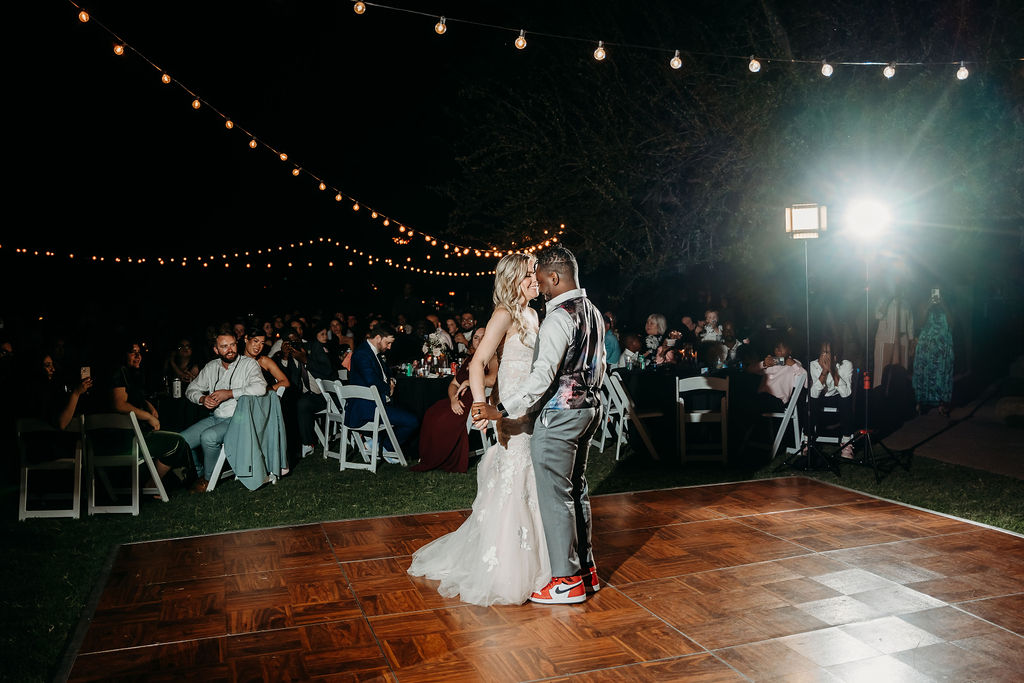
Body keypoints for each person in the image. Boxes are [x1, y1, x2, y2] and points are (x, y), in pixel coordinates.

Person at [408, 253, 549, 605]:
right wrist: (481, 406)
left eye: (537, 273)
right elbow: (478, 362)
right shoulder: (504, 314)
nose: (537, 279)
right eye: (530, 274)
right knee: (514, 483)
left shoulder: (533, 314)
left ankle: (539, 563)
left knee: (530, 482)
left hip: (530, 411)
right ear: (513, 279)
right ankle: (507, 569)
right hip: (509, 415)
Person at [472, 245, 605, 605]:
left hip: (560, 414)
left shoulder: (559, 316)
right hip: (589, 409)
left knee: (556, 496)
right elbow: (599, 366)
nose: (540, 285)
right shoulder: (592, 312)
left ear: (555, 277)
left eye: (541, 277)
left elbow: (543, 377)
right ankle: (586, 570)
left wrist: (501, 409)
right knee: (577, 491)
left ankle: (565, 581)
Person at [180, 333, 267, 492]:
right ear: (216, 349)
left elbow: (261, 388)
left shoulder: (249, 364)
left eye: (233, 345)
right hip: (216, 417)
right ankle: (200, 473)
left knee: (208, 437)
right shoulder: (211, 366)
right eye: (224, 346)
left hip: (238, 419)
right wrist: (202, 399)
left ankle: (208, 479)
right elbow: (191, 389)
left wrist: (230, 393)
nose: (230, 350)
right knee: (183, 440)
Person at [111, 340, 192, 494]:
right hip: (125, 440)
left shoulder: (131, 373)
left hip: (131, 435)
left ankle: (162, 481)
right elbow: (119, 404)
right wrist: (148, 416)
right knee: (177, 441)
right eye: (132, 352)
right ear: (123, 355)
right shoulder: (119, 371)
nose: (137, 356)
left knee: (170, 430)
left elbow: (132, 397)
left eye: (139, 352)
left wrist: (147, 404)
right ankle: (151, 485)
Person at [410, 327, 496, 473]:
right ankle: (429, 456)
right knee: (432, 412)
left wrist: (470, 382)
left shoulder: (493, 357)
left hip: (476, 399)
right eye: (476, 337)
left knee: (443, 418)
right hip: (458, 399)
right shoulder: (470, 358)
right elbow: (453, 384)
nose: (479, 340)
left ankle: (441, 458)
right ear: (471, 341)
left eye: (483, 336)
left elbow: (493, 379)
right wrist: (452, 400)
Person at [345, 322, 418, 456]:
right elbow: (372, 381)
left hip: (378, 403)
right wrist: (388, 388)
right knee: (412, 421)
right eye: (388, 343)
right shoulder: (362, 354)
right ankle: (386, 448)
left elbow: (387, 374)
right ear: (378, 338)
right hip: (366, 407)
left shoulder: (373, 352)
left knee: (410, 410)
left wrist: (392, 381)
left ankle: (376, 444)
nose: (389, 347)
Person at [808, 340, 855, 459]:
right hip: (820, 396)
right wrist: (824, 371)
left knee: (846, 401)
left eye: (828, 353)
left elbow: (845, 393)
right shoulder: (813, 365)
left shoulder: (846, 365)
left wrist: (832, 370)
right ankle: (807, 440)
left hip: (837, 396)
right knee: (810, 400)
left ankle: (846, 443)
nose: (824, 356)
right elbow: (814, 393)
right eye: (822, 352)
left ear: (835, 355)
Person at [913, 289, 954, 415]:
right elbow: (919, 324)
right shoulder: (923, 304)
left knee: (943, 373)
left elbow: (953, 325)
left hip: (943, 346)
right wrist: (927, 307)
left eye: (939, 292)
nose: (936, 295)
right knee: (923, 373)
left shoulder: (949, 305)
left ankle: (942, 403)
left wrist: (944, 306)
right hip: (926, 345)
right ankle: (922, 402)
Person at [242, 328, 290, 395]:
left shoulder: (264, 361)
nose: (258, 346)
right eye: (256, 341)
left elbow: (285, 382)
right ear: (246, 339)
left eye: (262, 343)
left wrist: (267, 390)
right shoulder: (237, 360)